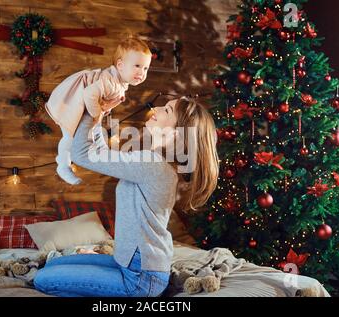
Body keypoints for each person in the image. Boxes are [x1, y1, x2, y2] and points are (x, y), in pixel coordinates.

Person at [34, 97, 219, 297]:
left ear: (175, 133)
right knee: (52, 264)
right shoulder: (154, 160)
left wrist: (89, 109)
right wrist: (98, 116)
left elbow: (81, 155)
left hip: (139, 278)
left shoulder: (152, 164)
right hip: (128, 263)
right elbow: (101, 153)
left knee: (42, 280)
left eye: (166, 110)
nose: (155, 108)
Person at [45, 37, 152, 185]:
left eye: (145, 68)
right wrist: (97, 114)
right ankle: (63, 165)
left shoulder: (119, 83)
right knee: (69, 136)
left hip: (85, 108)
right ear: (120, 65)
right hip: (72, 102)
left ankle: (102, 151)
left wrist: (100, 113)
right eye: (137, 66)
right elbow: (89, 93)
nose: (142, 72)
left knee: (95, 131)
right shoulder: (111, 82)